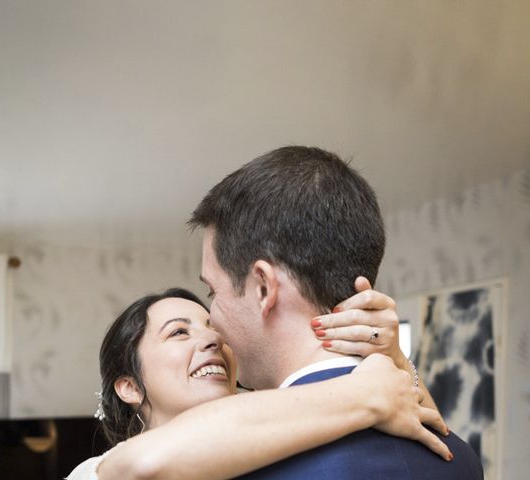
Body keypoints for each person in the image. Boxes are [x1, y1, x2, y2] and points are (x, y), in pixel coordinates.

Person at [189, 145, 483, 478]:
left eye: (213, 291)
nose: (211, 320)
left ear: (263, 288)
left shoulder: (234, 466)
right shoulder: (460, 457)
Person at [68, 287, 449, 480]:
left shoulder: (282, 445)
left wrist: (394, 358)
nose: (213, 339)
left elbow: (440, 441)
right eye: (179, 333)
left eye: (213, 327)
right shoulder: (101, 471)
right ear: (130, 387)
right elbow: (146, 464)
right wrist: (368, 392)